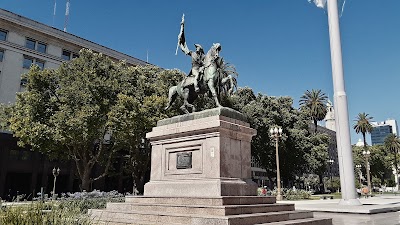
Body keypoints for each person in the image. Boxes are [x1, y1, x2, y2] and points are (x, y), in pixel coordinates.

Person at [177, 15, 205, 92]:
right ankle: (196, 87)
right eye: (196, 47)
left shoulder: (202, 56)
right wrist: (180, 44)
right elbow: (185, 50)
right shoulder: (192, 53)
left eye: (198, 47)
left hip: (200, 69)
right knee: (197, 76)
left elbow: (204, 63)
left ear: (200, 49)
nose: (196, 48)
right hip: (194, 69)